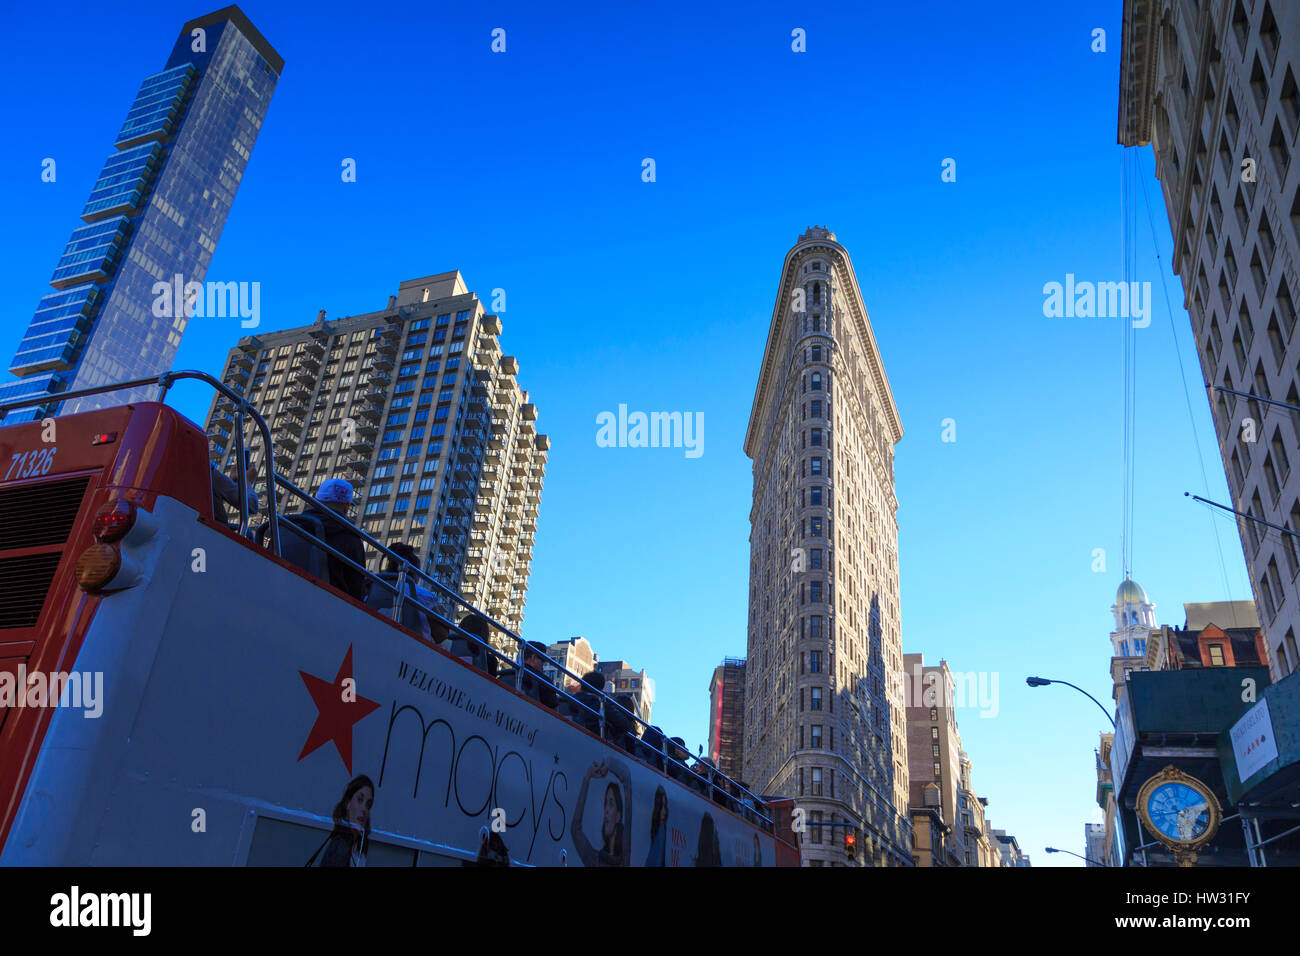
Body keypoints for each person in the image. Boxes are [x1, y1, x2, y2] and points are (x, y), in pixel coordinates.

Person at [303, 478, 368, 602]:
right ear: (347, 507)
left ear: (316, 500)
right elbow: (356, 588)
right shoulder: (351, 538)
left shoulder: (289, 523)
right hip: (327, 602)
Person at [571, 759, 632, 867]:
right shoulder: (594, 860)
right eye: (605, 804)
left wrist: (608, 763)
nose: (606, 810)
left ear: (618, 816)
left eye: (611, 804)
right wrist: (587, 778)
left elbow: (626, 777)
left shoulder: (624, 859)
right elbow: (575, 829)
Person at [317, 774, 373, 867]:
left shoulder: (358, 845)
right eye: (360, 800)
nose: (364, 809)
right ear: (348, 803)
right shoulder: (341, 846)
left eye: (368, 804)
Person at [210, 449, 259, 525]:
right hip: (214, 530)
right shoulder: (210, 473)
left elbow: (211, 501)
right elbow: (251, 505)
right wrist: (247, 481)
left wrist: (231, 482)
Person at [520, 642, 558, 708]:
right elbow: (554, 713)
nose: (543, 666)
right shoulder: (544, 681)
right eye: (542, 661)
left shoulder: (507, 673)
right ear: (533, 658)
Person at [645, 785, 669, 867]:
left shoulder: (662, 831)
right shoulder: (659, 831)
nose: (664, 812)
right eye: (661, 806)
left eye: (665, 807)